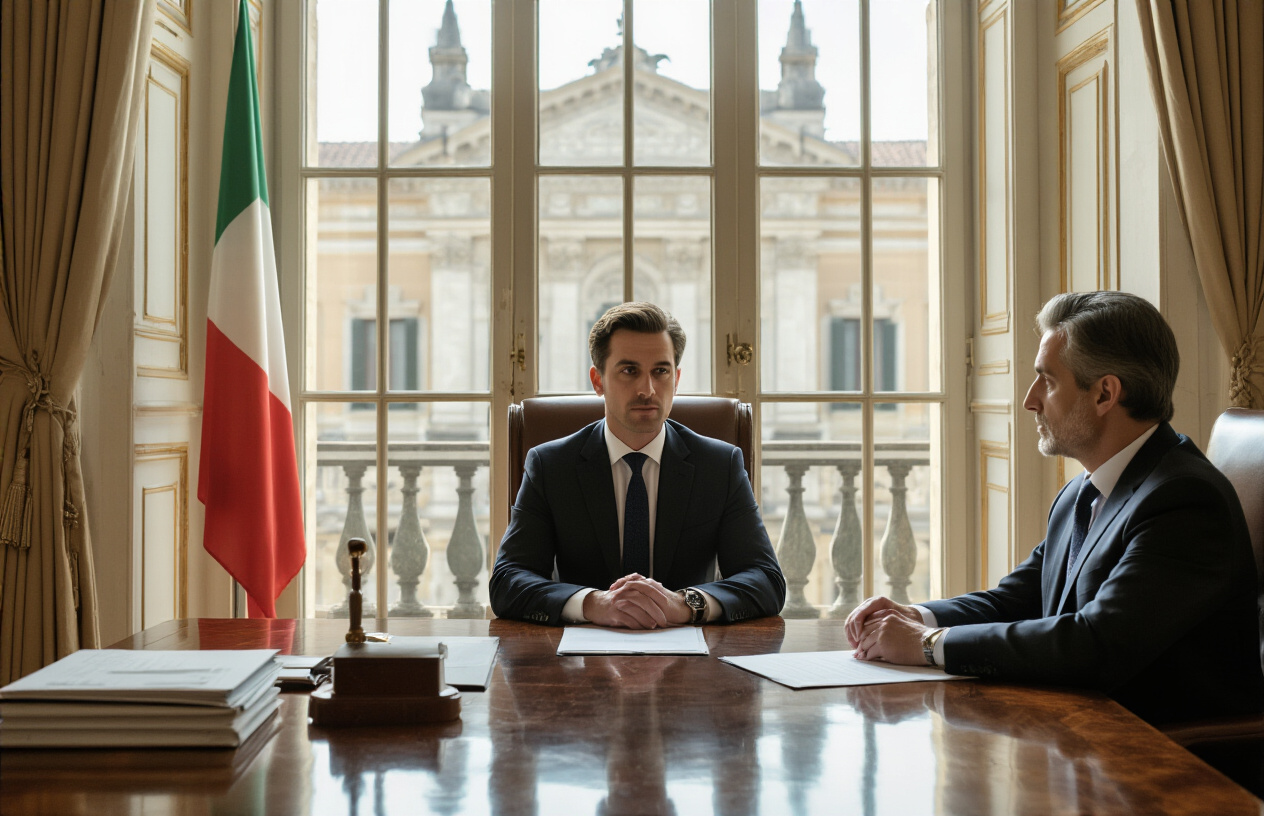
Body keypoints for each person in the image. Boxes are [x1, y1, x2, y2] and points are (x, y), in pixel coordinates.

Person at [846, 291, 1263, 725]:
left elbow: (1096, 643)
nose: (1030, 400)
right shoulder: (1082, 492)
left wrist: (928, 644)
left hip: (1170, 761)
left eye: (1046, 380)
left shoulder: (1185, 501)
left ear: (1105, 394)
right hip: (1085, 733)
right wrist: (917, 615)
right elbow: (1018, 600)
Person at [490, 302, 786, 628]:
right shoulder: (550, 466)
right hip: (581, 663)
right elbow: (507, 581)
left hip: (692, 662)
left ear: (677, 378)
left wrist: (685, 603)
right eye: (629, 371)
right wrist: (593, 603)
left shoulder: (719, 465)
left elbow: (766, 580)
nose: (647, 390)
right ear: (598, 380)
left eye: (660, 371)